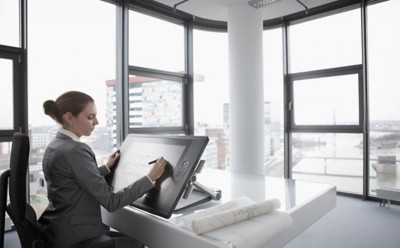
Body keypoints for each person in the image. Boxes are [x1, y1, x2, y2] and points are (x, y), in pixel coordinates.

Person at [38, 91, 166, 248]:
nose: (96, 122)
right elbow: (112, 202)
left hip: (56, 229)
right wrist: (150, 178)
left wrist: (106, 167)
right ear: (69, 117)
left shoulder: (55, 145)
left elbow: (75, 180)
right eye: (90, 117)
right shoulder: (76, 150)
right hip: (75, 237)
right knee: (138, 242)